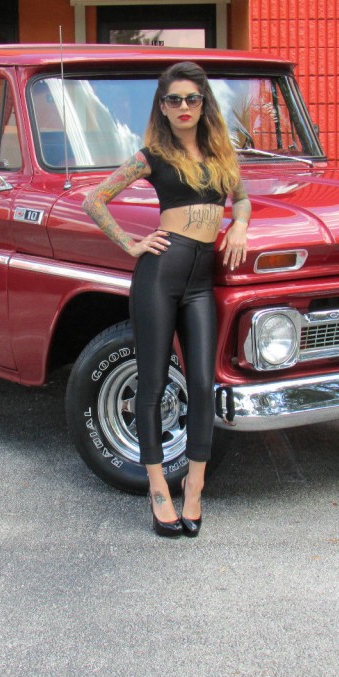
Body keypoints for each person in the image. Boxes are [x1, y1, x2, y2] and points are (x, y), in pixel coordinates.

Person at [82, 62, 251, 538]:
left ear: (203, 104)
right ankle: (159, 489)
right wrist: (131, 244)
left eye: (191, 99)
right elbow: (95, 199)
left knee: (201, 384)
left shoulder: (221, 152)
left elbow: (241, 198)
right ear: (162, 106)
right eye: (173, 100)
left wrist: (238, 224)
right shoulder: (152, 155)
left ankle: (194, 487)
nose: (182, 107)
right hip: (159, 274)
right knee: (152, 386)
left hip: (201, 279)